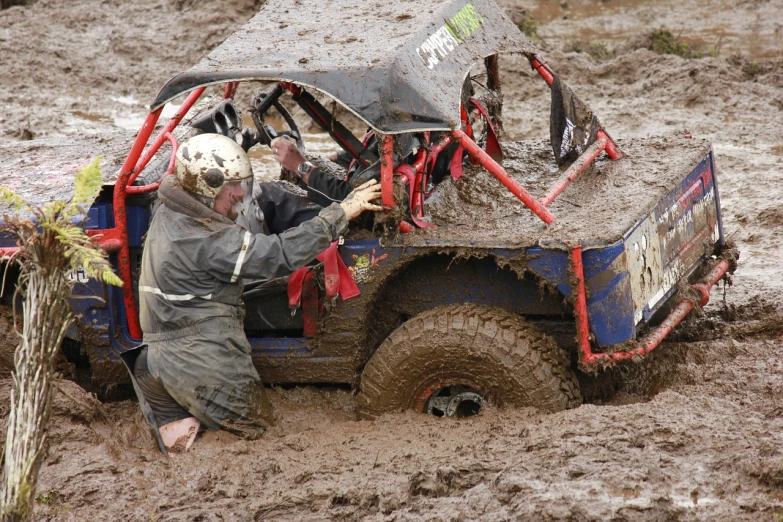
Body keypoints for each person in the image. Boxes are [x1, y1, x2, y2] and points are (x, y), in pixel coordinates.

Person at [133, 133, 382, 453]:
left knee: (188, 452)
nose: (240, 193)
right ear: (207, 187)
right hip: (195, 360)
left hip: (152, 359)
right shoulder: (204, 240)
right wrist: (339, 214)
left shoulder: (174, 205)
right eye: (231, 187)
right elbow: (274, 256)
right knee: (258, 440)